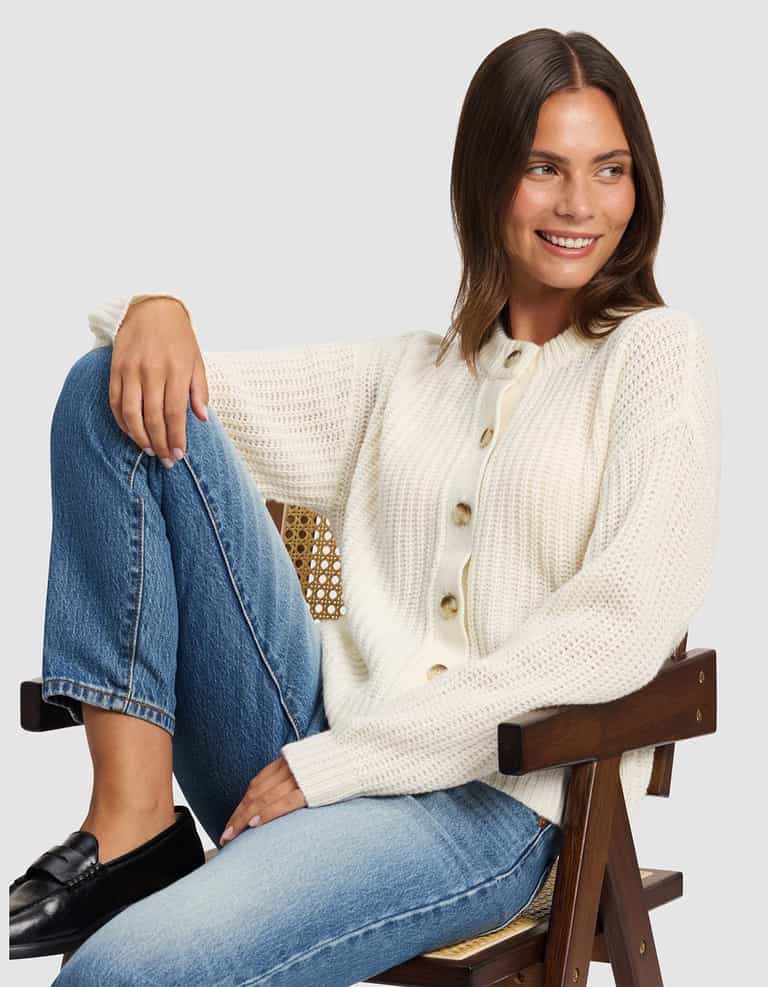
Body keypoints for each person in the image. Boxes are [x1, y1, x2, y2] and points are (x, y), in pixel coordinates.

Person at [10, 26, 720, 987]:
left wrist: (345, 765)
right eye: (544, 167)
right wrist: (157, 305)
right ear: (485, 179)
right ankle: (132, 820)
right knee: (112, 388)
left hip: (486, 803)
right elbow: (161, 379)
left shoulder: (654, 359)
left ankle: (146, 866)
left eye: (610, 169)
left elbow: (615, 630)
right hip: (310, 736)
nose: (580, 205)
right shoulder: (411, 373)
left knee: (117, 974)